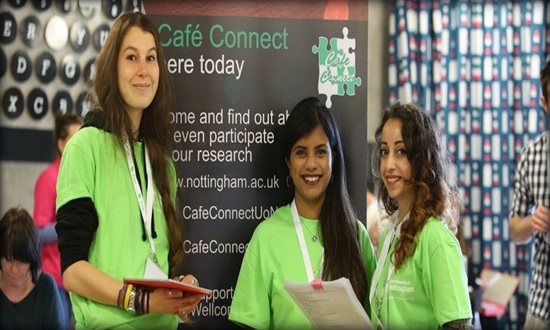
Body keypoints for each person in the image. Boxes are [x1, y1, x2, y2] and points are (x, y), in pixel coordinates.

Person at [55, 12, 203, 329]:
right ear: (112, 68)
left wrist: (176, 290)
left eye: (151, 58)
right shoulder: (84, 148)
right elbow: (73, 270)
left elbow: (149, 259)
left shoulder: (162, 162)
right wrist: (141, 299)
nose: (143, 70)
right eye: (131, 57)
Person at [229, 96, 377, 329]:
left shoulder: (356, 235)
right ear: (288, 162)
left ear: (333, 158)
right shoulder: (266, 238)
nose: (311, 164)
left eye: (320, 152)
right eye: (300, 152)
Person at [369, 101, 472, 329]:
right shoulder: (390, 233)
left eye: (401, 152)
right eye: (385, 152)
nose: (389, 165)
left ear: (422, 160)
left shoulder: (436, 239)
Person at [509, 60, 550, 330]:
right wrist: (533, 221)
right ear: (545, 103)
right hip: (542, 304)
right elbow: (515, 230)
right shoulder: (531, 155)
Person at [33, 111, 83, 323]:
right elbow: (39, 233)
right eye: (75, 140)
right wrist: (72, 224)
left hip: (80, 275)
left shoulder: (82, 176)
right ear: (62, 144)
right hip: (56, 278)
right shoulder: (48, 179)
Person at [0, 207, 68, 330]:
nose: (14, 270)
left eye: (22, 262)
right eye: (8, 260)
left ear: (32, 259)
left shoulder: (46, 288)